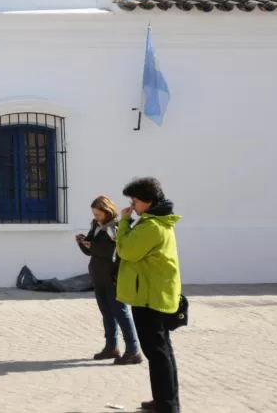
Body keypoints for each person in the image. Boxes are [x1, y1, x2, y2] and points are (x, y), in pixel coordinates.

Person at [115, 177, 183, 413]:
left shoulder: (152, 226)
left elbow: (126, 250)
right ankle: (165, 400)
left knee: (158, 353)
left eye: (135, 199)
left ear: (148, 200)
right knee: (162, 351)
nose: (132, 204)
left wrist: (124, 222)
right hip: (153, 294)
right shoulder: (155, 223)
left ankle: (168, 405)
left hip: (149, 298)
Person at [77, 195, 142, 364]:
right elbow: (92, 252)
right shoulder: (96, 225)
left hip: (113, 276)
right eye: (94, 214)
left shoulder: (117, 227)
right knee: (106, 313)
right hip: (98, 276)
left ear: (107, 211)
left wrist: (94, 246)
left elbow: (115, 252)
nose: (96, 217)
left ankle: (133, 350)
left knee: (120, 312)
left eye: (98, 214)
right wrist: (83, 243)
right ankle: (111, 347)